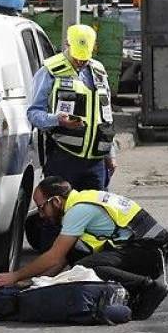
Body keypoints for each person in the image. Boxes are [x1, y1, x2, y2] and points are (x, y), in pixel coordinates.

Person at [0, 176, 168, 320]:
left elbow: (54, 256)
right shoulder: (81, 200)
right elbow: (63, 258)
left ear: (56, 201)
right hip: (143, 251)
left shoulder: (78, 210)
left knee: (86, 268)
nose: (41, 215)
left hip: (150, 254)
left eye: (42, 207)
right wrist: (35, 282)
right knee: (78, 255)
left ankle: (148, 288)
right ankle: (133, 290)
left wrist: (15, 275)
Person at [25, 24, 118, 250]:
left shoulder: (98, 71)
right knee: (54, 216)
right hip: (63, 156)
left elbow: (105, 115)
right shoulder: (50, 71)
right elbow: (33, 113)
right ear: (67, 44)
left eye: (85, 57)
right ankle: (50, 267)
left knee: (96, 216)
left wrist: (110, 154)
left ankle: (90, 265)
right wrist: (58, 120)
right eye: (77, 56)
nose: (80, 61)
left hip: (95, 160)